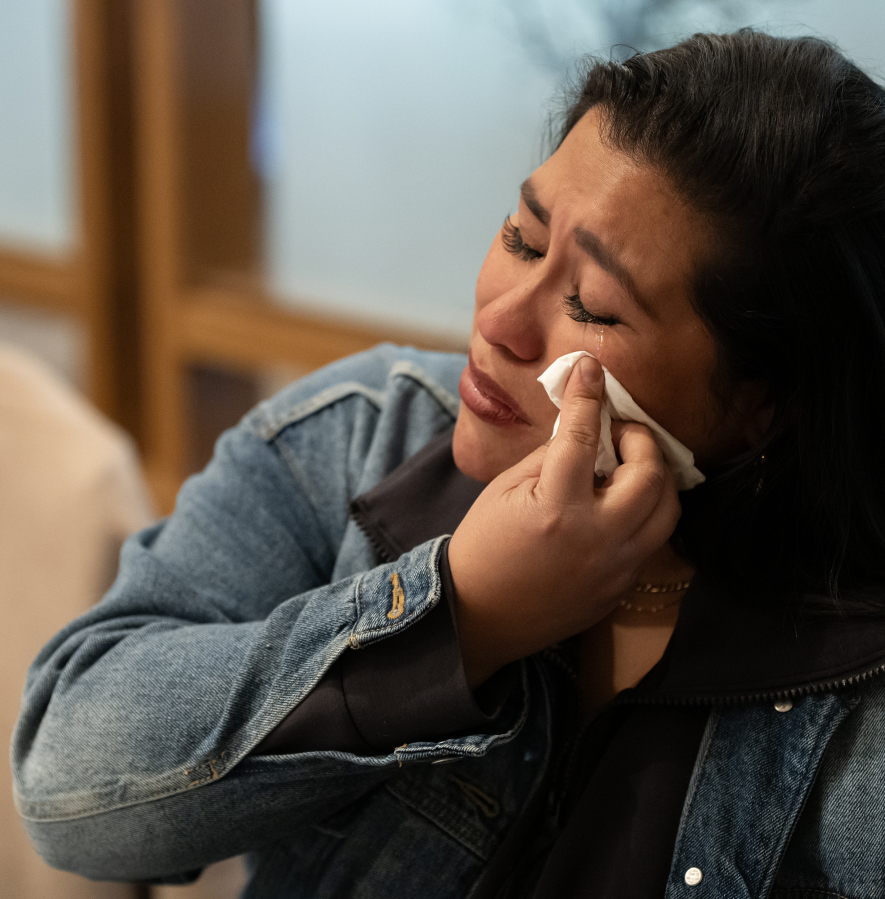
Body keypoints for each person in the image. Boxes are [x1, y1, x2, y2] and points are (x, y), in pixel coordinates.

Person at [13, 29, 885, 899]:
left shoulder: (857, 696)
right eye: (521, 238)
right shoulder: (361, 435)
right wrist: (460, 618)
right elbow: (68, 788)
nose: (500, 321)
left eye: (592, 306)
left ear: (761, 403)